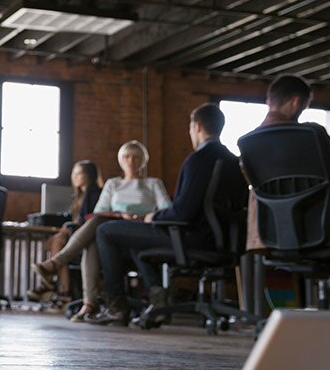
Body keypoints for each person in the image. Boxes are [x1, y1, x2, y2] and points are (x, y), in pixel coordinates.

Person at [87, 103, 247, 325]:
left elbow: (183, 212)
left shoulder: (198, 160)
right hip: (222, 239)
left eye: (191, 128)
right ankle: (158, 299)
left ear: (197, 126)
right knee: (133, 236)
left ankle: (116, 307)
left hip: (190, 237)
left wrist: (154, 217)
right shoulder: (233, 160)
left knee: (105, 231)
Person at [31, 141, 171, 321]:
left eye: (136, 157)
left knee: (96, 233)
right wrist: (121, 216)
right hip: (112, 234)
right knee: (96, 231)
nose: (131, 160)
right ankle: (88, 302)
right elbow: (99, 211)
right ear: (121, 160)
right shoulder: (113, 184)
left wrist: (143, 217)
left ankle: (60, 267)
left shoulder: (153, 183)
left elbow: (166, 208)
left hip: (139, 232)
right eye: (127, 156)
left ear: (143, 160)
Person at [246, 75, 330, 251]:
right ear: (297, 102)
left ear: (270, 100)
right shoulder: (312, 135)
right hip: (327, 233)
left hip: (271, 235)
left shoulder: (249, 143)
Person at [27, 161, 101, 303]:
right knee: (53, 242)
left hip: (87, 240)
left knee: (58, 241)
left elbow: (89, 222)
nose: (75, 176)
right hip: (75, 238)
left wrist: (70, 226)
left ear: (90, 176)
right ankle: (54, 287)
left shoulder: (94, 195)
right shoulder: (78, 198)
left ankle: (56, 288)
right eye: (74, 173)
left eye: (79, 173)